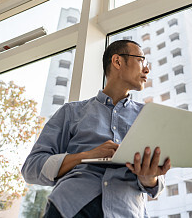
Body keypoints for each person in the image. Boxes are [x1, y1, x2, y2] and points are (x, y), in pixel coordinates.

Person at [21, 40, 171, 218]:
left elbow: (156, 184)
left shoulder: (147, 116)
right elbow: (31, 168)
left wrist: (149, 178)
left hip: (127, 211)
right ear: (117, 61)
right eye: (141, 61)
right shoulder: (71, 112)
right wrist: (85, 156)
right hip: (70, 208)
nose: (147, 69)